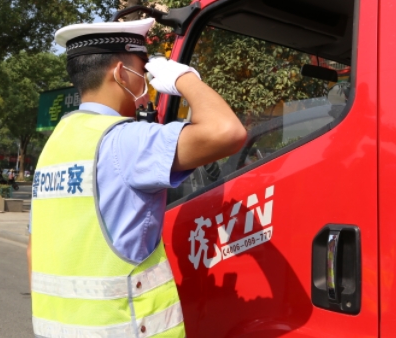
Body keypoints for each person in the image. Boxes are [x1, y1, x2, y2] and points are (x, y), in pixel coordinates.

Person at [28, 17, 246, 338]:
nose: (148, 83)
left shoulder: (55, 146)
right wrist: (185, 78)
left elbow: (34, 250)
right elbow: (227, 132)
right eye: (144, 72)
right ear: (120, 73)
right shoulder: (126, 141)